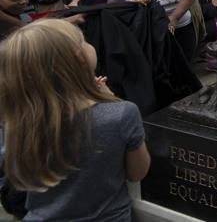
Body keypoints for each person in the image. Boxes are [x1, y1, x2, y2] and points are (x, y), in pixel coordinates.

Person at [0, 19, 150, 220]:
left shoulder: (18, 122)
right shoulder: (122, 113)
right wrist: (112, 100)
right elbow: (137, 172)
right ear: (80, 58)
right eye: (84, 40)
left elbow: (20, 178)